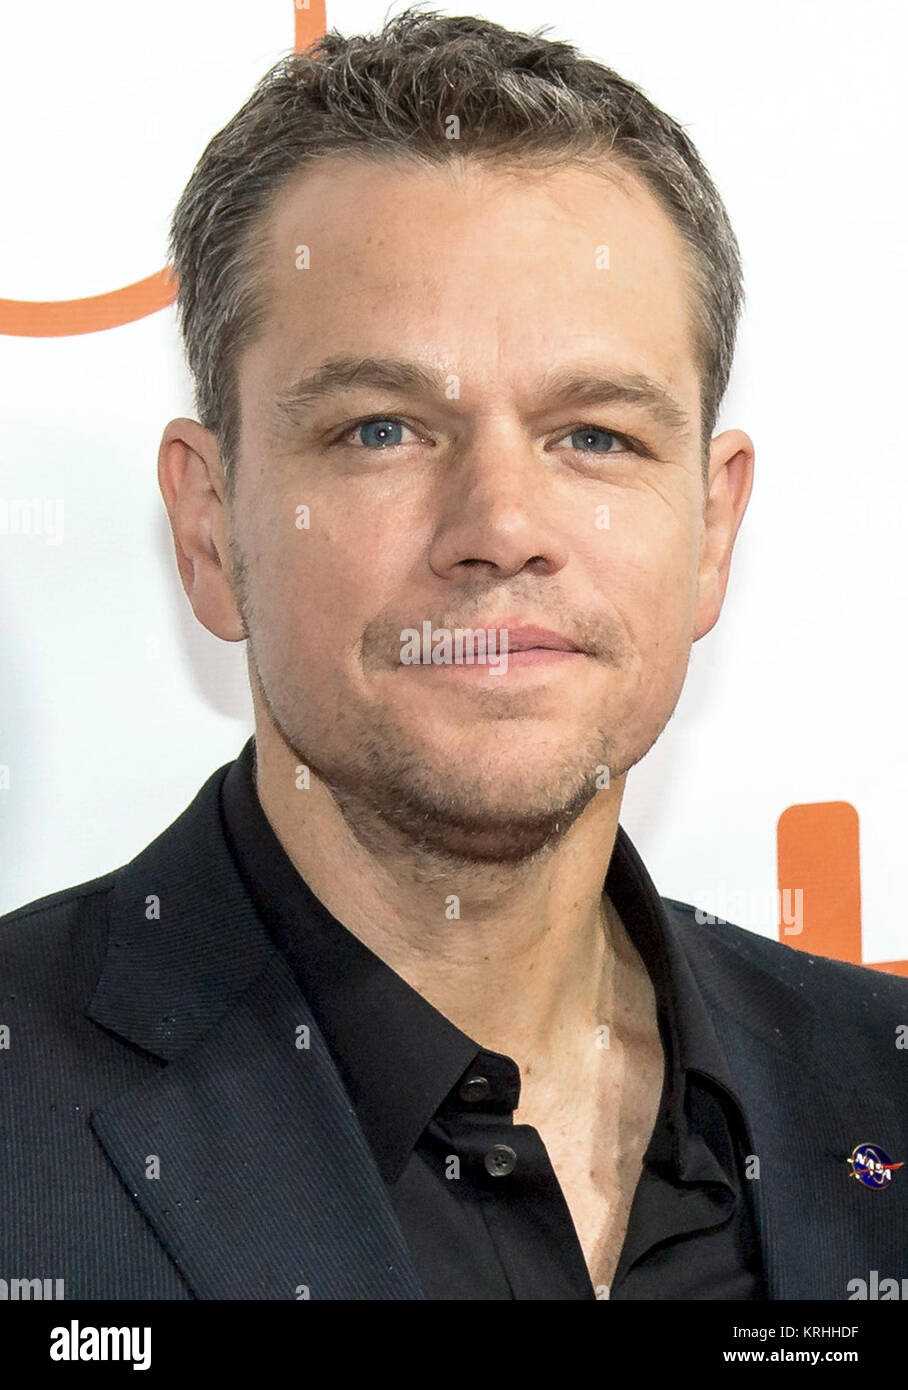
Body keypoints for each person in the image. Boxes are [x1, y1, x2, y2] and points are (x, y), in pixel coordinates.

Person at [2, 7, 906, 1301]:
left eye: (593, 434)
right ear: (211, 528)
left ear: (712, 533)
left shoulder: (881, 1085)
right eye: (383, 429)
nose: (501, 528)